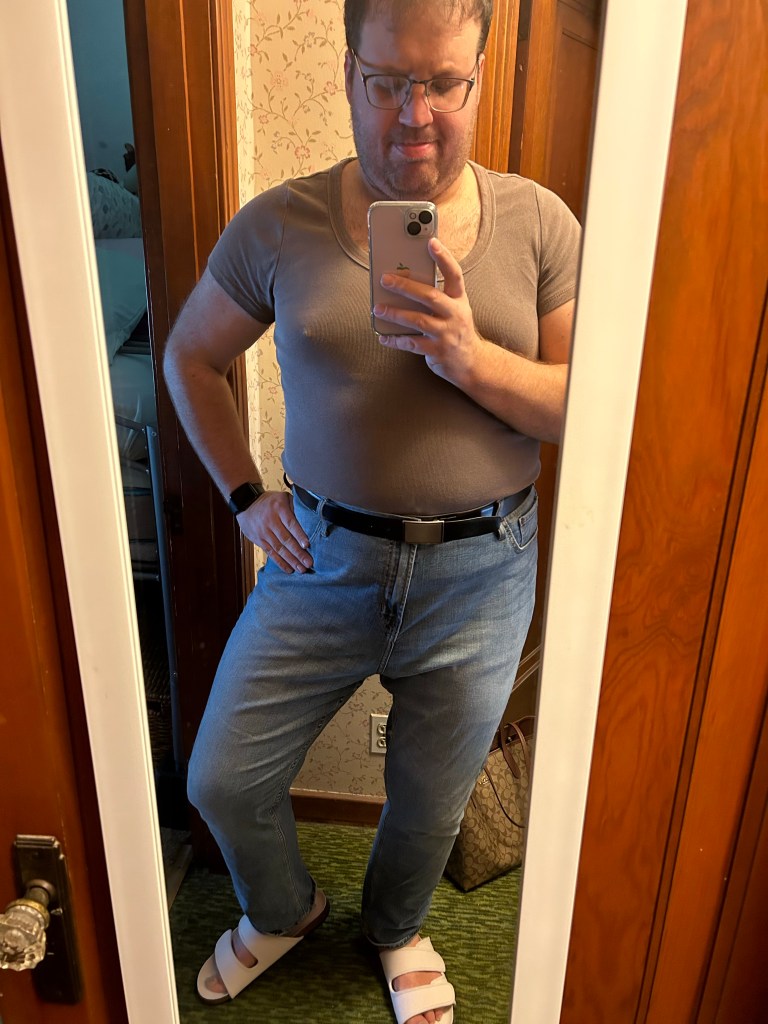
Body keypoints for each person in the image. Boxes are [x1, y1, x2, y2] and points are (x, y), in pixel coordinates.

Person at [163, 0, 580, 1020]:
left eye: (443, 82)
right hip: (322, 559)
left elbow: (587, 404)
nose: (415, 114)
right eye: (389, 81)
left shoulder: (539, 223)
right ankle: (283, 909)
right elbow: (190, 357)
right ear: (350, 75)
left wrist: (468, 357)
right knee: (222, 777)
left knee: (430, 801)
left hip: (484, 571)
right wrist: (246, 497)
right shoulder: (279, 222)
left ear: (477, 76)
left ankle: (395, 927)